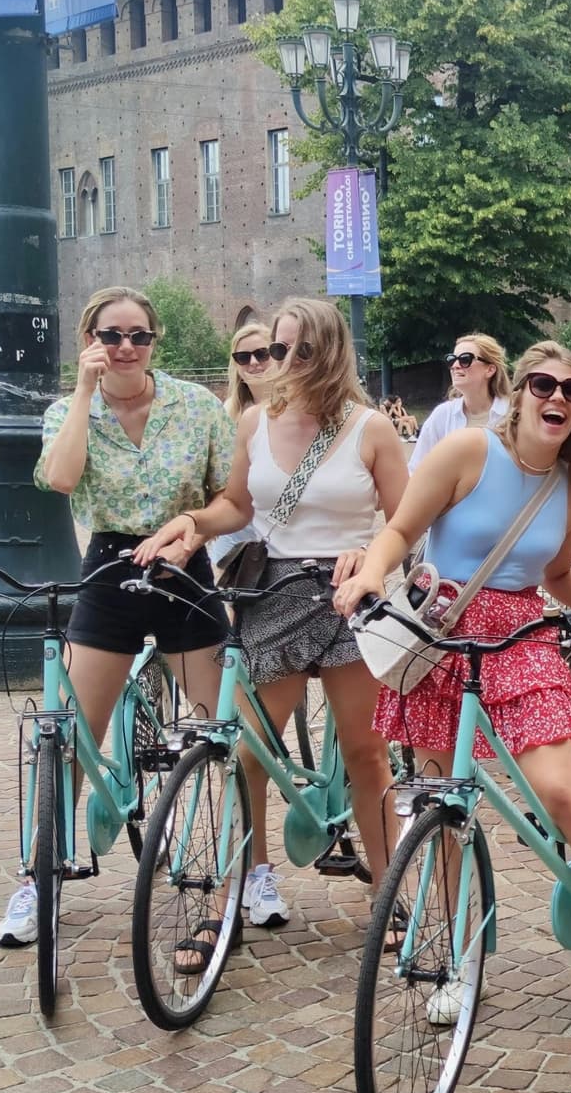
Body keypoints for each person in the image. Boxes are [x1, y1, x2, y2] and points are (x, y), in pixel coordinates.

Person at [335, 343, 571, 1024]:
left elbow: (555, 578)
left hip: (521, 636)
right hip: (440, 634)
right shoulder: (467, 452)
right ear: (519, 391)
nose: (558, 398)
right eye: (544, 383)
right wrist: (373, 571)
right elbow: (402, 527)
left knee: (557, 792)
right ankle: (462, 960)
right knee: (446, 807)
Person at [138, 297, 406, 950]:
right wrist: (194, 524)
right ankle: (236, 891)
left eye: (297, 350)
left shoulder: (370, 428)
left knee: (366, 754)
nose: (281, 362)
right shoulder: (255, 422)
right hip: (273, 592)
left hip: (348, 598)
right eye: (276, 348)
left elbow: (409, 524)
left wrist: (370, 554)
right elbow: (235, 505)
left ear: (330, 352)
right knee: (248, 753)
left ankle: (388, 893)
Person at [0, 287, 236, 946]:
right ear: (90, 340)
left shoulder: (195, 406)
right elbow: (63, 479)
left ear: (156, 341)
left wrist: (192, 527)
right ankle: (35, 878)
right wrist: (82, 394)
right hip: (109, 563)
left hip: (184, 561)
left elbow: (232, 502)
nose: (126, 347)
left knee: (225, 729)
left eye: (139, 335)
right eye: (111, 335)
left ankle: (237, 874)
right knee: (72, 733)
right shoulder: (68, 410)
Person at [207, 313, 276, 571]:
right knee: (235, 604)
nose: (254, 363)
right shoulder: (228, 413)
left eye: (262, 353)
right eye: (243, 357)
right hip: (239, 526)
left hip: (283, 526)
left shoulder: (299, 411)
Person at [409, 334, 509, 470]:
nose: (455, 366)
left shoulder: (512, 414)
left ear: (490, 369)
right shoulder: (442, 415)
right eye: (451, 360)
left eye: (465, 359)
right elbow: (416, 469)